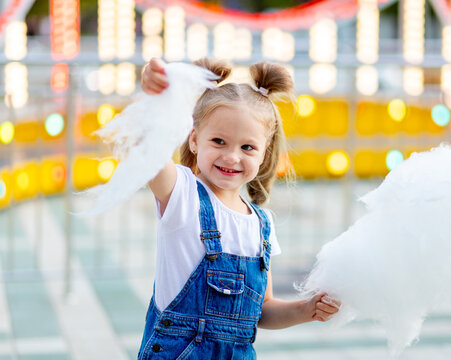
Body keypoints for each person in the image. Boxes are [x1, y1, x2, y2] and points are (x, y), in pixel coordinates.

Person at [137, 57, 340, 359]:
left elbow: (263, 311)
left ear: (264, 153)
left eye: (247, 147)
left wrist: (306, 309)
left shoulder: (262, 225)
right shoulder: (182, 194)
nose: (231, 157)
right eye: (218, 141)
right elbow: (146, 147)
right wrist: (153, 96)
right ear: (195, 140)